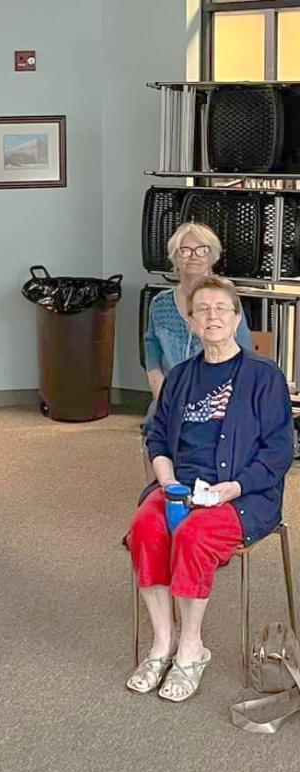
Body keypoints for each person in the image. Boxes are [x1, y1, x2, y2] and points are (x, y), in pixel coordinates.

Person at [126, 275, 293, 702]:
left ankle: (191, 649)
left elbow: (279, 452)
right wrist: (168, 484)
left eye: (222, 308)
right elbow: (158, 436)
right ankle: (162, 644)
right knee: (146, 528)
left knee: (194, 535)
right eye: (203, 309)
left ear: (237, 317)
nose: (213, 316)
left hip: (243, 496)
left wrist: (230, 489)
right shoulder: (180, 377)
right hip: (182, 487)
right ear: (192, 320)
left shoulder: (263, 376)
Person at [143, 223, 253, 475]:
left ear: (212, 256)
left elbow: (243, 354)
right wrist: (163, 395)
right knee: (154, 423)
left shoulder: (225, 300)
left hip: (219, 392)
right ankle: (161, 490)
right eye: (184, 250)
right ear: (174, 257)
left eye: (201, 250)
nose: (192, 256)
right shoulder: (160, 305)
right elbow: (152, 355)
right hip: (173, 393)